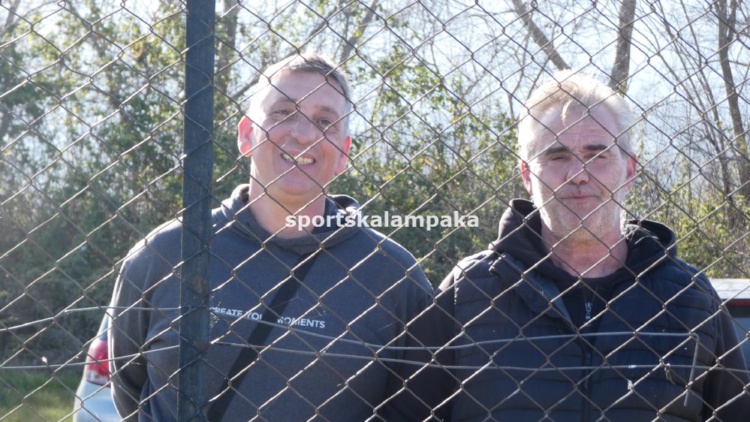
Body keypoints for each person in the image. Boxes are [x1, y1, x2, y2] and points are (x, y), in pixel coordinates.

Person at [108, 52, 433, 421]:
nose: (303, 134)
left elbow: (418, 404)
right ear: (246, 135)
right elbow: (129, 385)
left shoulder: (392, 274)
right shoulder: (167, 252)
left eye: (325, 121)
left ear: (344, 154)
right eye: (283, 112)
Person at [434, 70, 750, 421]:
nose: (578, 175)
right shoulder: (469, 290)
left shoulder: (690, 299)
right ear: (527, 175)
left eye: (597, 155)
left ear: (629, 170)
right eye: (557, 157)